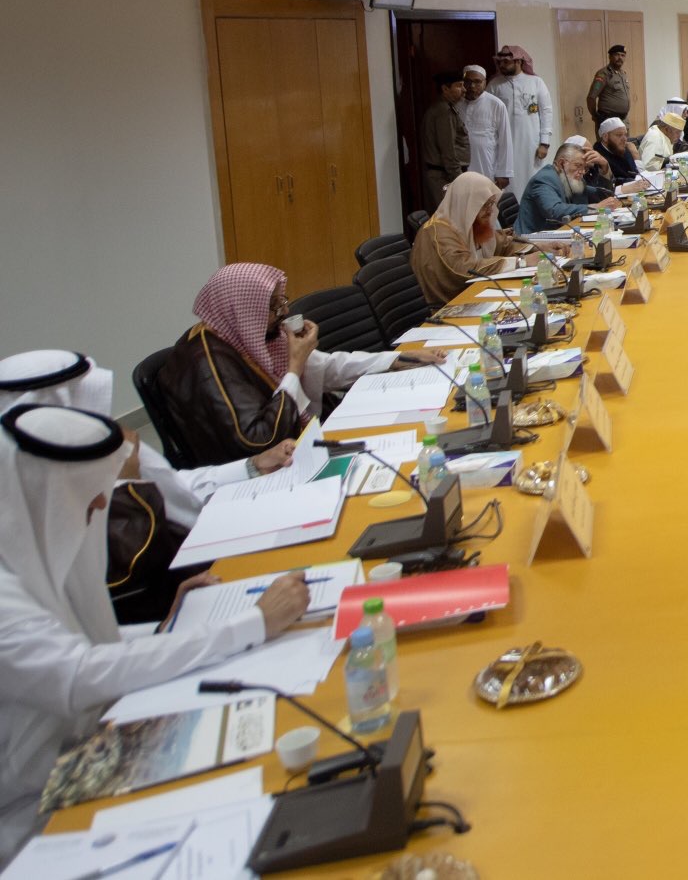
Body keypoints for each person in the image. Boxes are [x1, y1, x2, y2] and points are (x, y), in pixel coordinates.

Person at [0, 401, 311, 859]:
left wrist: (165, 628)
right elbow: (78, 673)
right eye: (88, 491)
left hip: (95, 749)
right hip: (42, 816)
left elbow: (71, 649)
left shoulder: (26, 549)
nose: (103, 502)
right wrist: (250, 625)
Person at [0, 351, 294, 625]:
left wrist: (252, 465)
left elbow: (173, 485)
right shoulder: (35, 486)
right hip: (168, 597)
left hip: (199, 566)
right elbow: (123, 575)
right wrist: (129, 483)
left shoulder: (105, 441)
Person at [152, 265, 401, 465]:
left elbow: (323, 367)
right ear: (243, 310)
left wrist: (393, 359)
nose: (283, 313)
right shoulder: (208, 364)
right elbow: (260, 439)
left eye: (281, 301)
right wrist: (295, 365)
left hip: (300, 443)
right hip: (267, 469)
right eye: (272, 307)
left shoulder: (244, 332)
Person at [411, 172, 534, 307]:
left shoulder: (467, 221)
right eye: (484, 205)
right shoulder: (439, 233)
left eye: (491, 203)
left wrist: (540, 248)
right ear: (467, 203)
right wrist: (521, 262)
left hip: (475, 295)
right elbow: (466, 269)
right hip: (448, 306)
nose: (490, 211)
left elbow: (501, 244)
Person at [488, 44, 555, 190]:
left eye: (506, 62)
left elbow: (546, 112)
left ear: (519, 62)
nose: (502, 65)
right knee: (508, 183)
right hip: (504, 144)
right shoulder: (494, 85)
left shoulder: (536, 82)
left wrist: (545, 143)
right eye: (500, 62)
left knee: (532, 178)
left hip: (531, 144)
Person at [517, 142, 621, 234]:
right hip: (531, 241)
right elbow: (554, 211)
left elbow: (602, 196)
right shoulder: (545, 179)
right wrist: (595, 207)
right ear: (562, 163)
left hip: (559, 234)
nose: (582, 172)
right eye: (578, 165)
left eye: (584, 167)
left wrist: (604, 166)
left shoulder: (570, 179)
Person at [457, 64, 515, 190]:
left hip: (487, 167)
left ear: (485, 82)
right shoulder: (456, 104)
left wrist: (504, 173)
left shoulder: (496, 105)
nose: (472, 86)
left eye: (477, 82)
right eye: (468, 82)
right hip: (461, 169)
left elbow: (505, 141)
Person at [419, 70, 469, 211]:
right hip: (444, 176)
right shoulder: (443, 112)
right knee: (449, 221)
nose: (464, 90)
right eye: (459, 86)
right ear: (445, 88)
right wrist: (459, 180)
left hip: (445, 175)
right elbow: (448, 150)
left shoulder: (447, 108)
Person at [586, 44, 632, 132]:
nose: (620, 58)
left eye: (623, 55)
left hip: (623, 120)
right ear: (610, 57)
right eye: (617, 55)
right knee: (608, 146)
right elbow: (591, 97)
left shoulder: (623, 74)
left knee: (625, 145)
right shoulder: (603, 74)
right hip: (608, 121)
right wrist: (595, 115)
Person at [592, 117, 640, 185]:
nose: (624, 139)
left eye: (625, 135)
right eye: (619, 135)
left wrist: (636, 156)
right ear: (605, 137)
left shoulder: (623, 149)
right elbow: (612, 183)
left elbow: (637, 174)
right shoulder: (598, 157)